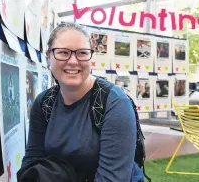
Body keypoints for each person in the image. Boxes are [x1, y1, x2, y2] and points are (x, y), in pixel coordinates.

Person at [21, 22, 140, 181]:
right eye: (63, 52)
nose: (73, 61)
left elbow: (112, 179)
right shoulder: (43, 103)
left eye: (82, 53)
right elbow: (31, 163)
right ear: (49, 56)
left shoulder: (115, 104)